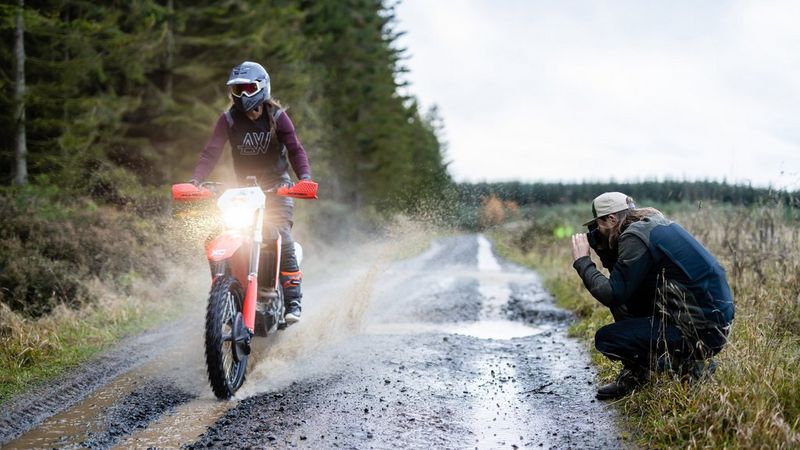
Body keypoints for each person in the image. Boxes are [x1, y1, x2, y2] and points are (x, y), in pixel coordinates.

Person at [570, 192, 735, 399]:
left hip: (700, 333)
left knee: (608, 339)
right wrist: (603, 246)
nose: (597, 231)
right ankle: (640, 372)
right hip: (714, 327)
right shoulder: (651, 225)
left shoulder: (634, 236)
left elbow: (612, 294)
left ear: (611, 219)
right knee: (628, 302)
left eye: (598, 225)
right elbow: (624, 287)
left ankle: (689, 366)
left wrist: (582, 261)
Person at [190, 61, 312, 324]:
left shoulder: (277, 117)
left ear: (262, 88)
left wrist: (304, 179)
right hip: (242, 193)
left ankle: (293, 299)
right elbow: (211, 152)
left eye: (248, 88)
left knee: (281, 234)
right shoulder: (229, 119)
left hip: (277, 190)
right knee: (215, 233)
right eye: (237, 89)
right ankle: (223, 288)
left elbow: (295, 149)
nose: (243, 95)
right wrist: (195, 181)